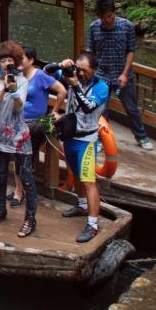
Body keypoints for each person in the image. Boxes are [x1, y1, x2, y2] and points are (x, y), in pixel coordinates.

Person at [45, 53, 109, 243]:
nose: (80, 73)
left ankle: (93, 225)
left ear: (94, 69)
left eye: (84, 70)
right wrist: (60, 64)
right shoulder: (71, 75)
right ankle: (82, 206)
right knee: (76, 173)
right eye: (77, 69)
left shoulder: (101, 87)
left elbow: (88, 107)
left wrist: (73, 83)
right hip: (70, 136)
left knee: (89, 180)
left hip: (87, 140)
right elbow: (46, 71)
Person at [88, 0, 153, 151]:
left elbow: (131, 51)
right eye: (103, 17)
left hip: (123, 73)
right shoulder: (94, 27)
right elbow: (91, 52)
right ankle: (100, 139)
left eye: (109, 16)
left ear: (114, 12)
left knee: (131, 108)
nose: (106, 20)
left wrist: (124, 73)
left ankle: (141, 137)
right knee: (101, 109)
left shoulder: (127, 26)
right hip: (102, 73)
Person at [0, 40, 37, 237]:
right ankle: (0, 210)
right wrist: (3, 89)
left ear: (15, 62)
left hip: (19, 138)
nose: (6, 63)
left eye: (10, 60)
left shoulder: (22, 80)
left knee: (26, 178)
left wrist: (14, 89)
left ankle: (30, 219)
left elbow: (20, 106)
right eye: (3, 60)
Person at [7, 46, 67, 207]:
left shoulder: (40, 76)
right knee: (17, 156)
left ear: (31, 60)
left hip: (34, 124)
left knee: (24, 158)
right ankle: (18, 189)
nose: (18, 62)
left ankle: (20, 192)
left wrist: (54, 111)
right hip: (17, 121)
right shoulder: (17, 76)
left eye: (22, 58)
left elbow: (62, 91)